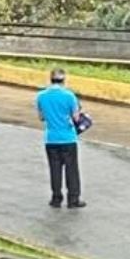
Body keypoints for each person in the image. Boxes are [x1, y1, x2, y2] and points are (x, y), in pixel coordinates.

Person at [36, 68, 86, 209]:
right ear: (64, 79)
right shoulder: (69, 96)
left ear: (50, 79)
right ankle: (73, 199)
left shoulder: (41, 96)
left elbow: (41, 117)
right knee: (71, 170)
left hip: (51, 139)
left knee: (55, 169)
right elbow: (76, 117)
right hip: (68, 138)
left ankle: (56, 198)